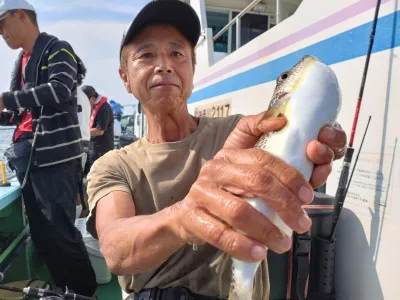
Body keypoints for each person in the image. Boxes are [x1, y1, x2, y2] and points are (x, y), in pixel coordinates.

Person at [85, 1, 347, 299]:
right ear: (125, 78)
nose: (164, 65)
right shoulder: (113, 165)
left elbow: (292, 137)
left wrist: (316, 144)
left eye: (177, 53)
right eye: (146, 55)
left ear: (192, 68)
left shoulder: (240, 133)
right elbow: (116, 250)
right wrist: (184, 218)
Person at [0, 0, 97, 297]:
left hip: (55, 157)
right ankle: (61, 289)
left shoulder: (59, 48)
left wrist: (6, 100)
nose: (1, 34)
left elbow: (59, 89)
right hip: (29, 159)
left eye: (2, 24)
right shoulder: (23, 62)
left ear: (20, 15)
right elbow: (21, 113)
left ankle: (84, 291)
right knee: (42, 234)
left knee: (61, 231)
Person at [81, 85, 114, 165]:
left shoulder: (104, 108)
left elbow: (100, 130)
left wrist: (79, 132)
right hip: (92, 148)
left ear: (92, 99)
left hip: (101, 151)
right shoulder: (94, 106)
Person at [76, 64, 91, 218]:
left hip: (74, 144)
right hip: (84, 143)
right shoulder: (83, 96)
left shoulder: (68, 93)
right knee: (77, 182)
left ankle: (76, 215)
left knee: (72, 185)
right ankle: (81, 212)